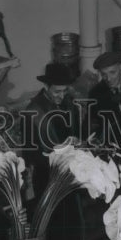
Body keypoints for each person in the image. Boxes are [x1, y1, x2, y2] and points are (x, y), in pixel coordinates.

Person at [21, 62, 79, 197]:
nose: (62, 95)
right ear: (46, 86)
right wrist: (57, 152)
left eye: (65, 90)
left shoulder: (70, 104)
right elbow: (29, 153)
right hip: (46, 177)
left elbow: (76, 133)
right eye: (57, 91)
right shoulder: (33, 112)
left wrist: (78, 142)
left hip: (72, 172)